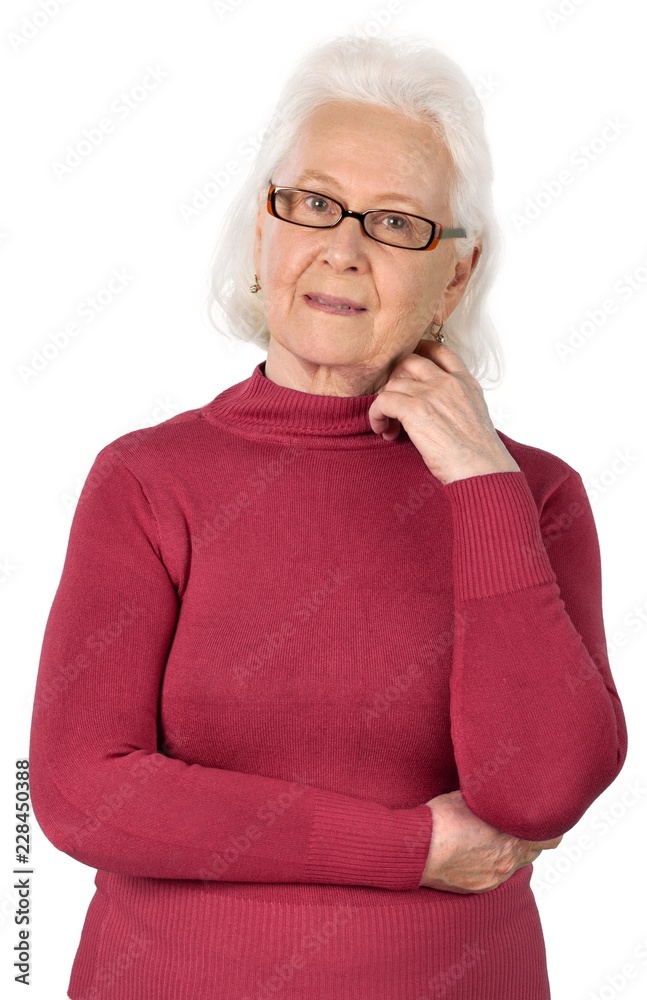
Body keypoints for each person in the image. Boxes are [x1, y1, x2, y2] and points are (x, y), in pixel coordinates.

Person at [29, 33, 628, 1000]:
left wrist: (480, 480)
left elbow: (540, 791)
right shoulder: (147, 480)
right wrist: (407, 847)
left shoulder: (532, 494)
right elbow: (78, 793)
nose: (341, 248)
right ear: (263, 233)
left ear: (456, 277)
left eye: (396, 224)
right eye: (310, 204)